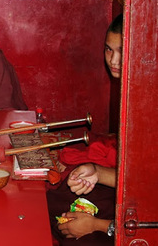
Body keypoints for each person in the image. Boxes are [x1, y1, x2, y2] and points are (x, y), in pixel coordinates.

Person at [47, 14, 123, 245]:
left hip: (136, 219)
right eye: (108, 50)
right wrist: (96, 171)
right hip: (123, 190)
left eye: (122, 51)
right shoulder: (132, 87)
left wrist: (98, 226)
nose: (114, 60)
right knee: (53, 202)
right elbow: (133, 177)